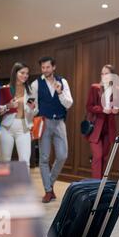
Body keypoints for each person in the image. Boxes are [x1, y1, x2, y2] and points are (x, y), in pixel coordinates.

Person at [31, 56, 73, 203]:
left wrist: (60, 92)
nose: (45, 70)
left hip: (60, 123)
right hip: (44, 122)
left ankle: (49, 183)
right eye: (43, 67)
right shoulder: (36, 84)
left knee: (62, 155)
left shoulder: (63, 82)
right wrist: (32, 109)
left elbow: (69, 104)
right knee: (44, 158)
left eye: (48, 67)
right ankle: (48, 191)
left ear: (53, 67)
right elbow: (33, 106)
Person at [0, 62, 38, 168]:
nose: (25, 76)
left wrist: (32, 107)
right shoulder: (6, 89)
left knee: (25, 162)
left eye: (27, 73)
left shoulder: (30, 91)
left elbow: (33, 111)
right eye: (22, 73)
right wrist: (8, 106)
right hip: (6, 128)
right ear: (15, 73)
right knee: (5, 161)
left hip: (24, 129)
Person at [86, 64, 119, 179]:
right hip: (95, 128)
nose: (104, 75)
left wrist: (117, 110)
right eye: (102, 73)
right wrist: (102, 110)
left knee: (105, 157)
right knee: (97, 156)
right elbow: (89, 106)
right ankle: (96, 187)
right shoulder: (95, 88)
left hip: (108, 129)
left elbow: (118, 109)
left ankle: (102, 185)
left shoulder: (117, 90)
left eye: (107, 73)